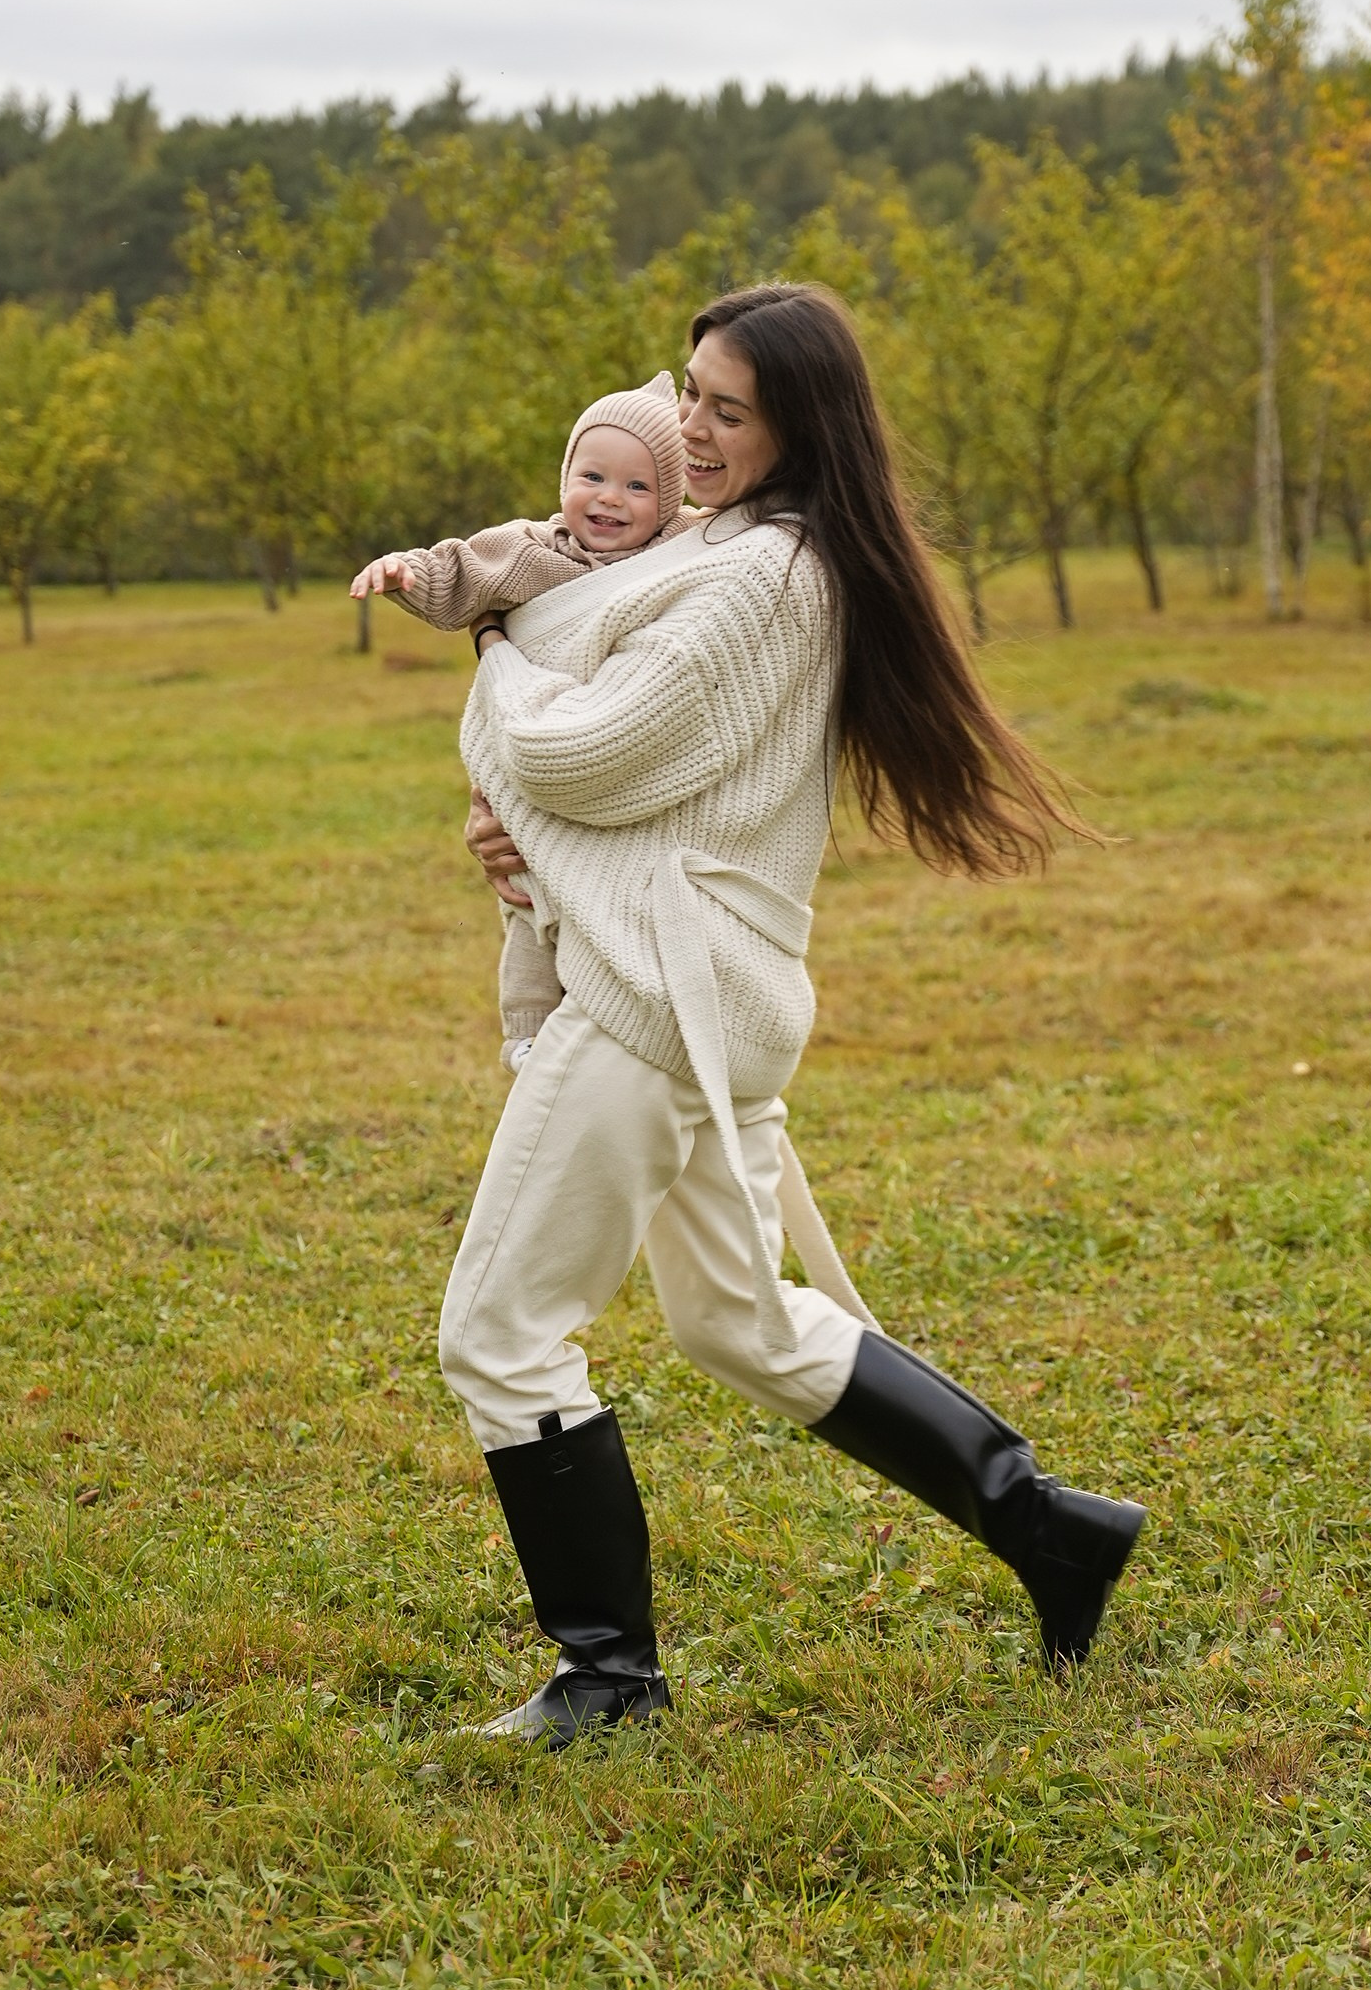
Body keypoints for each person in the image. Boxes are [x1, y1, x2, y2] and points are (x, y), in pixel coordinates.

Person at [439, 283, 1144, 1744]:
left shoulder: (763, 575)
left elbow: (582, 759)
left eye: (728, 411)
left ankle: (609, 1679)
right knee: (742, 1322)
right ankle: (1051, 1528)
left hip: (654, 998)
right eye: (688, 395)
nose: (690, 432)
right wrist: (526, 837)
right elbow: (641, 791)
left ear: (799, 426)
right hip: (705, 989)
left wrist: (498, 656)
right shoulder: (734, 547)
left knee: (501, 1335)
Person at [351, 375, 692, 1068]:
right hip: (530, 754)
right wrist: (405, 572)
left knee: (594, 920)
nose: (609, 498)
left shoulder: (679, 554)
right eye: (592, 477)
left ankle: (607, 1028)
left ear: (670, 504)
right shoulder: (533, 550)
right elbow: (461, 569)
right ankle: (528, 1031)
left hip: (609, 757)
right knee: (527, 902)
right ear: (565, 476)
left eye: (637, 486)